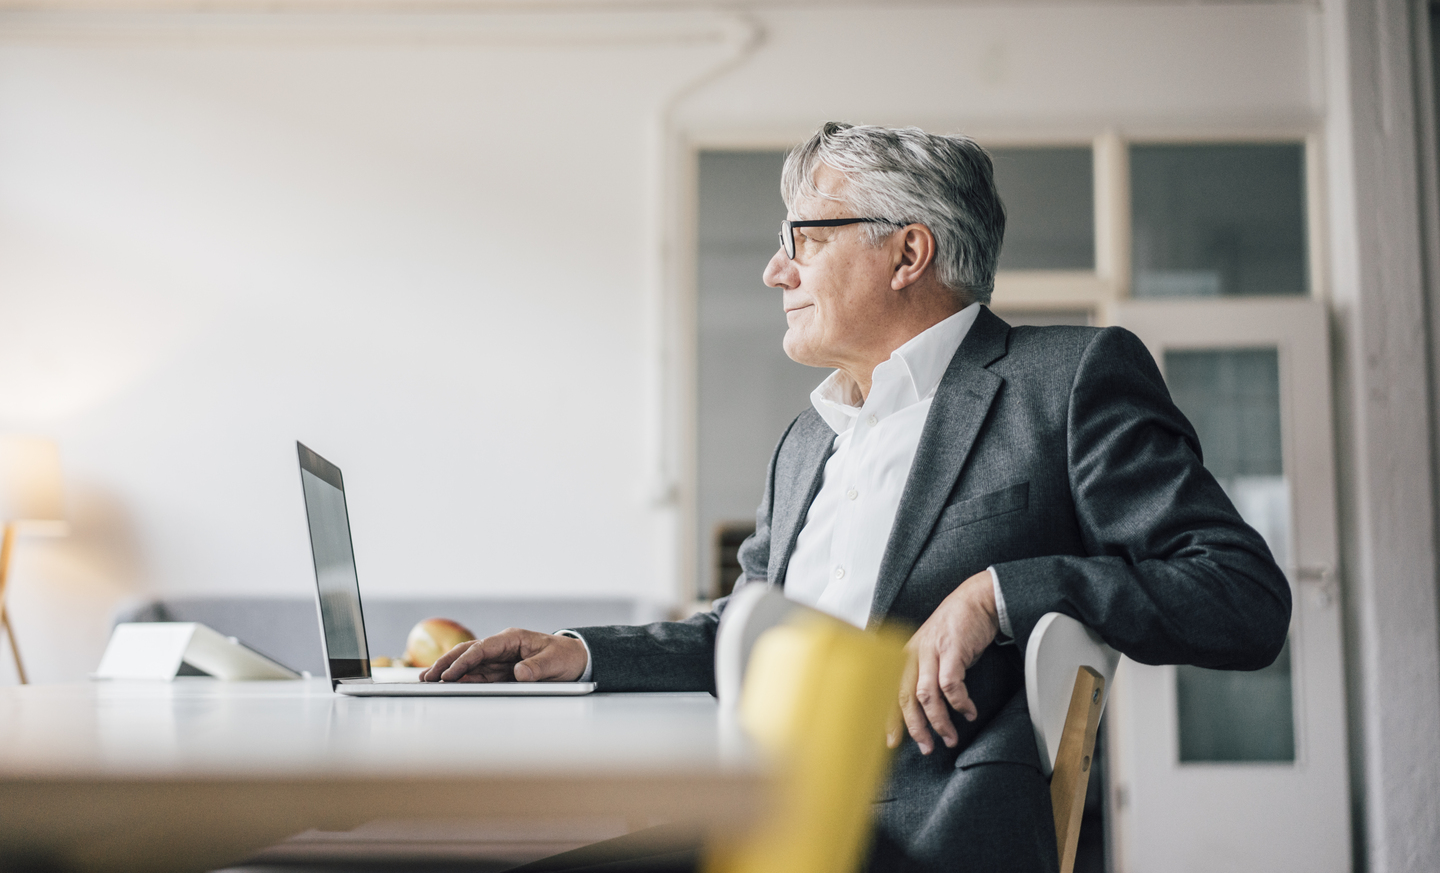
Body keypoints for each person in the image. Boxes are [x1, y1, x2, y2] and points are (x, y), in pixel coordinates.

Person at [424, 122, 1293, 872]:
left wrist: (998, 593)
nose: (775, 271)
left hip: (916, 839)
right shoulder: (808, 438)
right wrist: (578, 653)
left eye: (804, 238)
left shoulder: (1062, 380)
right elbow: (742, 635)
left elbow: (1241, 598)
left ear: (908, 252)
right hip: (764, 815)